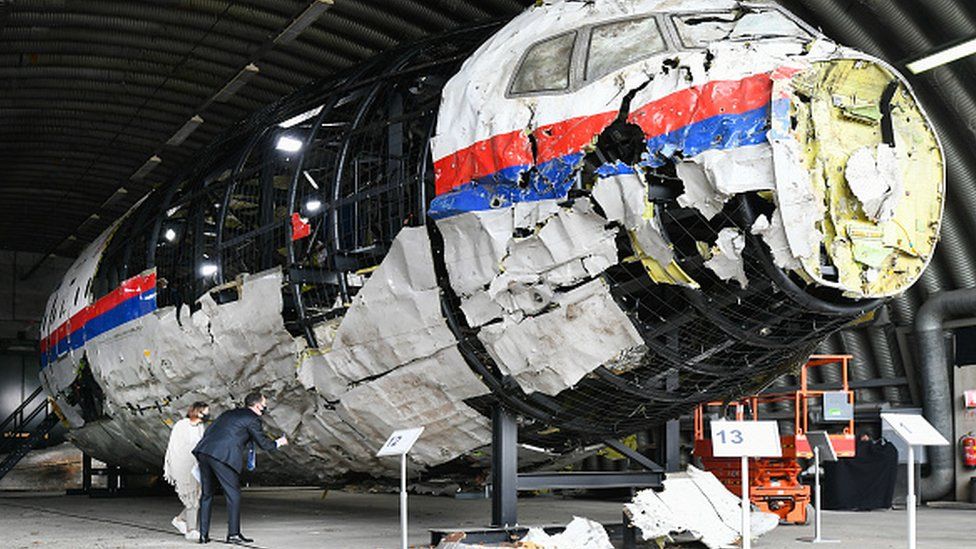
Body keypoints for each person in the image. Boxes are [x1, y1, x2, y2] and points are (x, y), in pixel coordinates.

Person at [193, 392, 288, 544]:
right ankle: (233, 535)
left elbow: (210, 431)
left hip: (204, 451)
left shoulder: (229, 413)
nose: (265, 407)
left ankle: (203, 535)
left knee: (207, 494)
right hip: (222, 456)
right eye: (264, 404)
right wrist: (280, 442)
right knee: (234, 494)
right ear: (258, 405)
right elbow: (264, 444)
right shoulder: (253, 419)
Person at [163, 401, 209, 541]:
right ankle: (191, 530)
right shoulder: (181, 425)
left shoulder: (201, 427)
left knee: (197, 497)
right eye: (205, 412)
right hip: (183, 465)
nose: (207, 415)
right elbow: (175, 447)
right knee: (191, 499)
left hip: (196, 465)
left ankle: (180, 520)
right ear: (196, 411)